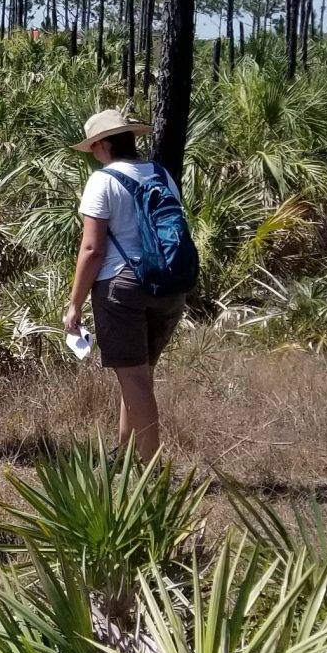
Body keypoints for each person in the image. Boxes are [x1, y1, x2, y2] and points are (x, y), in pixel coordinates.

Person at [63, 107, 189, 457]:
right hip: (168, 285)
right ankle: (123, 452)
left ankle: (150, 471)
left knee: (133, 378)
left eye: (93, 149)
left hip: (121, 286)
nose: (93, 155)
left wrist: (75, 302)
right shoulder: (161, 174)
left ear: (103, 144)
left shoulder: (103, 181)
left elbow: (91, 248)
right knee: (138, 373)